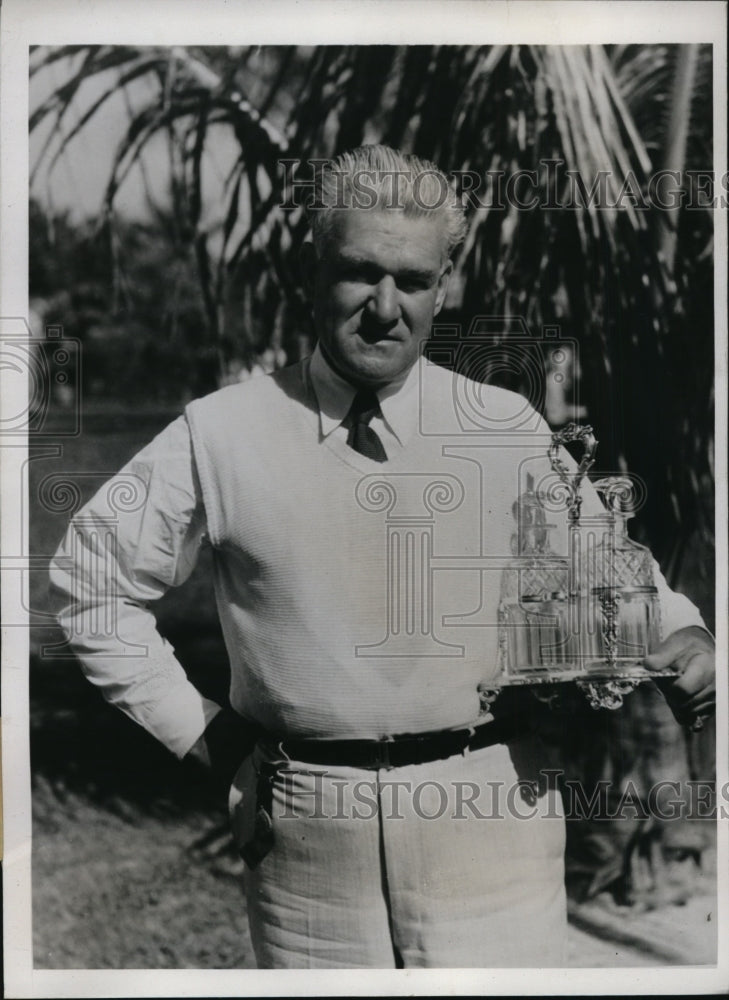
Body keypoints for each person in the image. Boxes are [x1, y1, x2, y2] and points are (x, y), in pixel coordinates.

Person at [49, 144, 715, 969]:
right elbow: (89, 586)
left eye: (413, 280)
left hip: (492, 818)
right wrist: (208, 741)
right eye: (359, 272)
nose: (384, 307)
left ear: (446, 286)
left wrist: (682, 638)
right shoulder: (219, 433)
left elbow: (607, 569)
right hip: (303, 839)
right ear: (310, 271)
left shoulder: (501, 427)